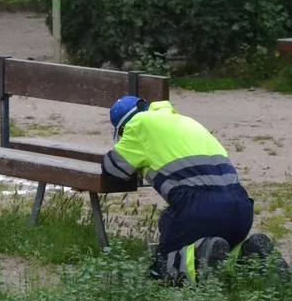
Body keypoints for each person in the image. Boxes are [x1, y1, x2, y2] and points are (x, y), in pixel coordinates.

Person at [102, 96, 287, 284]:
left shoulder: (138, 125)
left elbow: (114, 169)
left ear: (123, 128)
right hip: (240, 205)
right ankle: (250, 254)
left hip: (198, 209)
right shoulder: (186, 121)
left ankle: (202, 254)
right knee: (226, 256)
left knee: (161, 268)